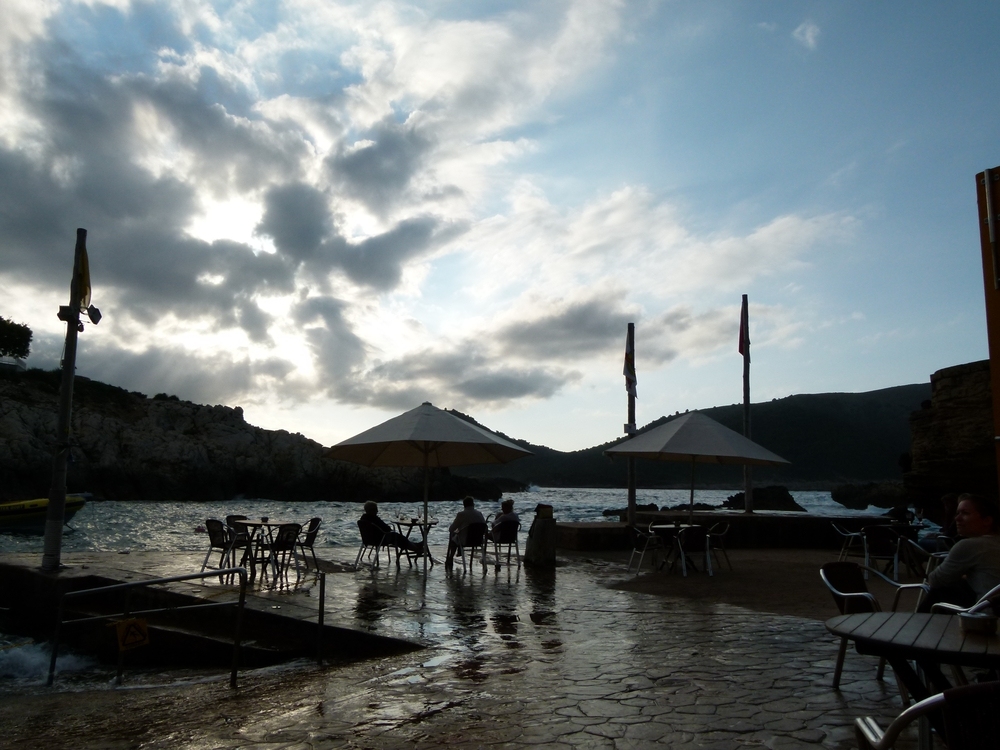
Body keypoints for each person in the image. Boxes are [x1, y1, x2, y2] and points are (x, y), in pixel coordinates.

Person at [921, 493, 1000, 611]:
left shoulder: (969, 546)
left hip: (987, 613)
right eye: (957, 513)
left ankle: (921, 624)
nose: (957, 518)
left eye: (965, 513)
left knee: (942, 589)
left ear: (987, 520)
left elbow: (935, 580)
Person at [358, 501, 424, 554]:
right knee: (397, 537)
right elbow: (386, 528)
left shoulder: (363, 519)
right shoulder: (374, 519)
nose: (377, 511)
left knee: (399, 538)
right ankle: (416, 548)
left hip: (369, 540)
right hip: (380, 540)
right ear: (372, 510)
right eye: (376, 509)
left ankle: (415, 546)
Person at [445, 496, 485, 568]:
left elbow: (451, 528)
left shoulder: (461, 514)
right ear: (473, 504)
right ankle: (459, 551)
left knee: (453, 535)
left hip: (466, 540)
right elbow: (484, 526)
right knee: (458, 535)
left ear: (464, 505)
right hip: (479, 540)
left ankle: (450, 558)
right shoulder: (479, 513)